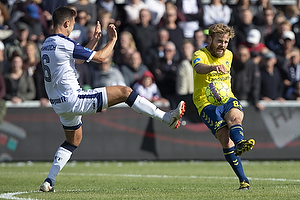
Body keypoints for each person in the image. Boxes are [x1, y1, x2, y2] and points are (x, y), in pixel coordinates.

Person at [39, 7, 186, 192]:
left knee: (73, 141)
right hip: (74, 98)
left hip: (59, 104)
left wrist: (94, 40)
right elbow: (101, 57)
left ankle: (49, 180)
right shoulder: (65, 43)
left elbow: (78, 60)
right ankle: (167, 118)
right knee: (125, 91)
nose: (72, 28)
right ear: (67, 23)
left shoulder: (48, 43)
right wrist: (113, 40)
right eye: (73, 24)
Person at [192, 23, 255, 190]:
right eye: (219, 41)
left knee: (236, 117)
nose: (223, 45)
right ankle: (243, 179)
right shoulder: (199, 54)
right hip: (206, 103)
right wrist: (213, 67)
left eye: (226, 42)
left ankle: (240, 142)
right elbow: (198, 68)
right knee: (224, 139)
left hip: (226, 97)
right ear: (210, 39)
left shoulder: (229, 55)